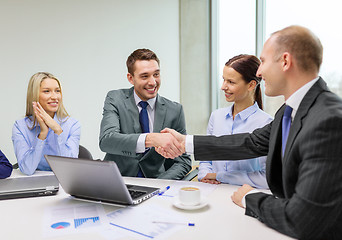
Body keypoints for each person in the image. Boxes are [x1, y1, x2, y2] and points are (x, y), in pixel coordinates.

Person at [157, 25, 342, 239]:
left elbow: (303, 219)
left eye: (263, 61)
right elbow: (251, 142)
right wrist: (184, 143)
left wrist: (250, 197)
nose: (260, 71)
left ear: (285, 61)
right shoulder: (288, 111)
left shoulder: (330, 120)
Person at [99, 48, 191, 179]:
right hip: (118, 181)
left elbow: (183, 161)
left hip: (156, 185)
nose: (153, 82)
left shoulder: (175, 110)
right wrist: (151, 139)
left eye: (156, 74)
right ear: (131, 78)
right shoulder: (115, 99)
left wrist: (160, 184)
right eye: (144, 76)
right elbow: (107, 140)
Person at [198, 54, 272, 188]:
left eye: (231, 82)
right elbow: (206, 158)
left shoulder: (266, 123)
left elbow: (266, 177)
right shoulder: (216, 116)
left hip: (245, 196)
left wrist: (221, 176)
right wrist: (205, 175)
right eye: (223, 80)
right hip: (212, 190)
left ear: (251, 85)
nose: (223, 87)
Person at [12, 72, 81, 175]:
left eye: (57, 91)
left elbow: (70, 169)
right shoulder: (20, 127)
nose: (55, 97)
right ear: (34, 95)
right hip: (33, 183)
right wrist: (43, 134)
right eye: (47, 91)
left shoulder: (72, 124)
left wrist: (58, 130)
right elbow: (27, 169)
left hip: (64, 184)